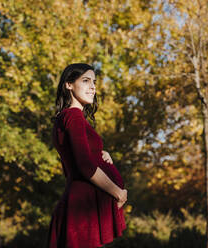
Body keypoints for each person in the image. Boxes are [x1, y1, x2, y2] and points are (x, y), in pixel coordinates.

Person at [46, 63, 127, 248]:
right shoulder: (73, 116)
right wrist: (118, 193)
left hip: (82, 210)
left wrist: (99, 153)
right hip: (82, 213)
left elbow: (75, 159)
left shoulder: (68, 117)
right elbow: (84, 166)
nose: (93, 87)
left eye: (94, 82)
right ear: (69, 84)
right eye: (85, 80)